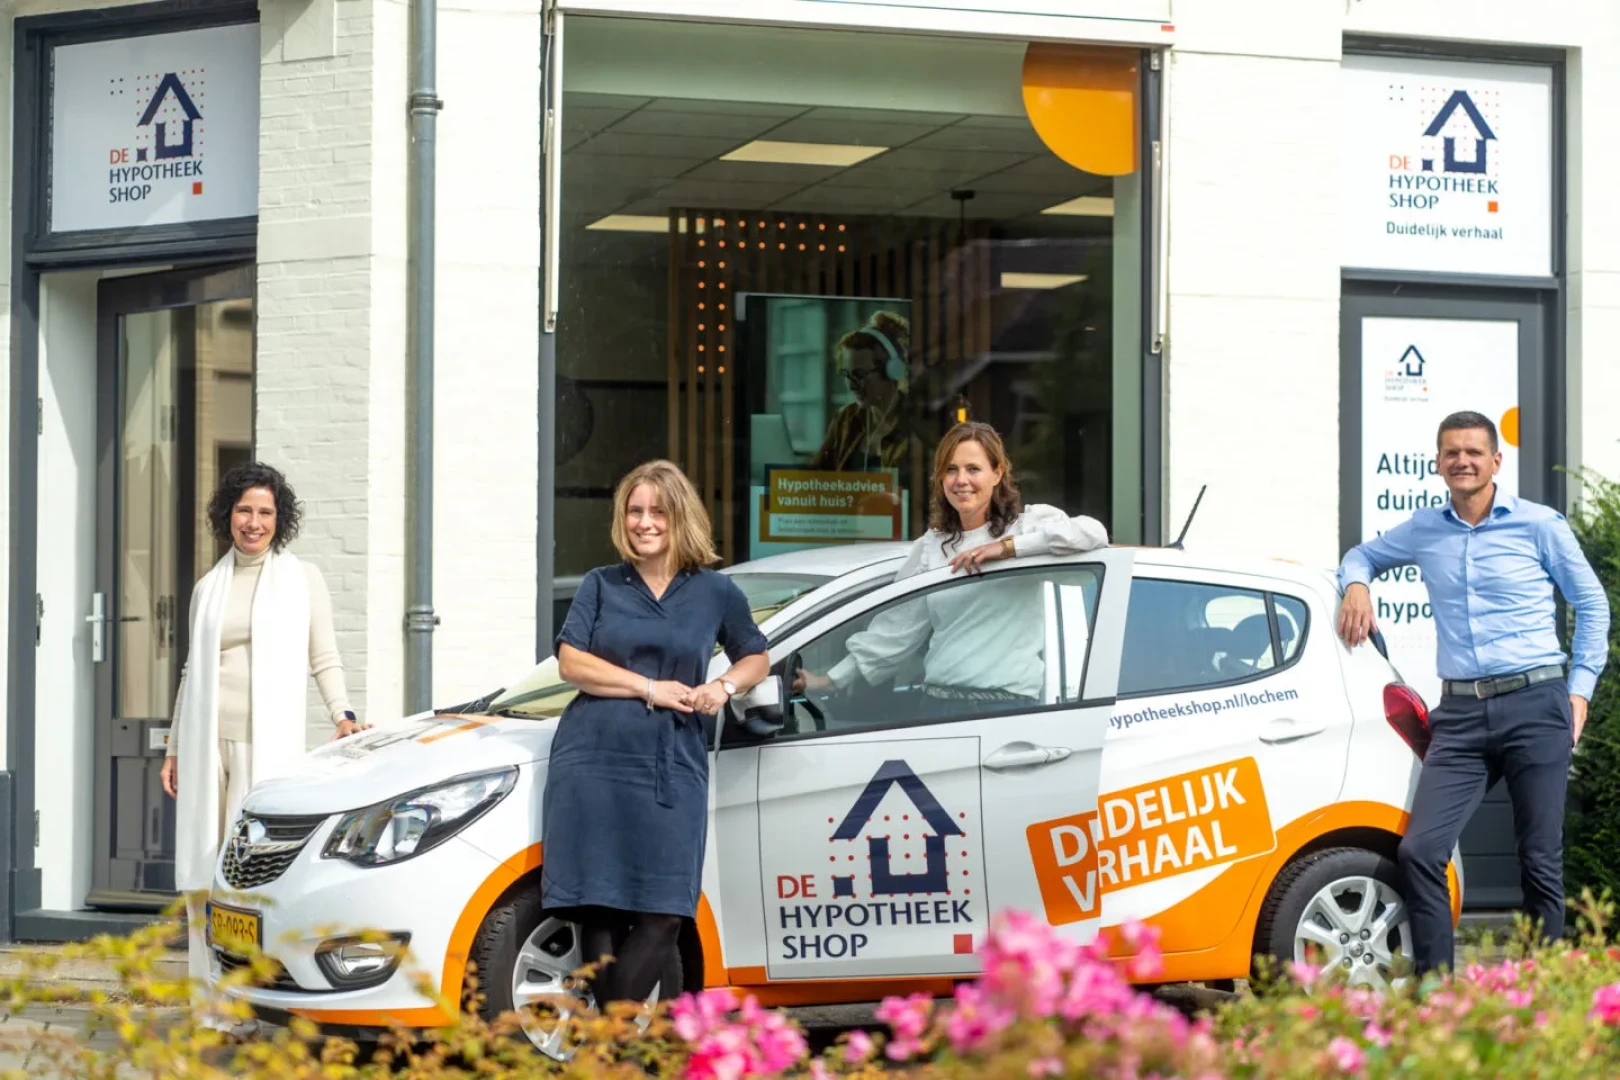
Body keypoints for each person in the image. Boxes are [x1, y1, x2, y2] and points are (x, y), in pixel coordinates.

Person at [1337, 410, 1610, 977]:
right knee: (1420, 850)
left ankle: (1541, 988)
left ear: (1495, 461)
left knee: (1539, 858)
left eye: (1473, 452)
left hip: (1536, 703)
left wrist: (1580, 690)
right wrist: (1358, 585)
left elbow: (1592, 604)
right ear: (1438, 463)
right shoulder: (1424, 528)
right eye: (1451, 452)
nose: (1462, 461)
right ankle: (1436, 989)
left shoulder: (1539, 525)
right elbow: (1361, 555)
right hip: (1460, 714)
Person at [543, 460, 770, 1006]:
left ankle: (608, 1038)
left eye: (657, 511)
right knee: (599, 908)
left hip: (672, 764)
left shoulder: (716, 591)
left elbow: (756, 657)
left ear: (680, 516)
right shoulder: (600, 584)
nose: (644, 522)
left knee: (666, 912)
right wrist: (650, 687)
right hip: (593, 760)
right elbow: (572, 663)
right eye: (635, 511)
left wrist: (723, 686)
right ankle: (615, 1043)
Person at [164, 462, 366, 1025]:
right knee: (203, 876)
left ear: (280, 519)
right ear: (227, 515)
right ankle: (209, 1008)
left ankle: (254, 1002)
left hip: (263, 747)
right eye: (244, 510)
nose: (254, 522)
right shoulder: (208, 587)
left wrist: (343, 714)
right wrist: (174, 747)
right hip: (206, 745)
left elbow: (323, 656)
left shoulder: (302, 579)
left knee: (251, 876)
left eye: (265, 512)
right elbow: (191, 672)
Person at [796, 421, 1109, 711]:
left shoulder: (1027, 527)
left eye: (974, 469)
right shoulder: (932, 545)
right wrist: (829, 681)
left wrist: (1007, 549)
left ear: (997, 474)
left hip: (1005, 708)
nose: (961, 480)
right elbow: (896, 628)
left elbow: (1094, 534)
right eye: (951, 469)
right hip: (937, 705)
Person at [809, 310, 925, 473]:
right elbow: (815, 474)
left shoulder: (919, 424)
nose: (851, 386)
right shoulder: (845, 418)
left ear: (891, 371)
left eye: (860, 375)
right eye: (847, 374)